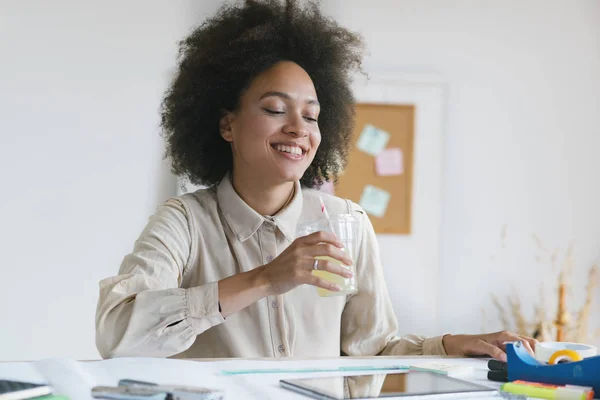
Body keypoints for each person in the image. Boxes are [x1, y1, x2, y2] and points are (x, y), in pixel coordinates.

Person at [95, 0, 536, 360]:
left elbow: (371, 353)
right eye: (274, 109)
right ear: (227, 124)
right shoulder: (184, 223)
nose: (298, 129)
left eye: (311, 115)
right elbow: (118, 335)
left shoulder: (349, 223)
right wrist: (266, 279)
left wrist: (447, 348)